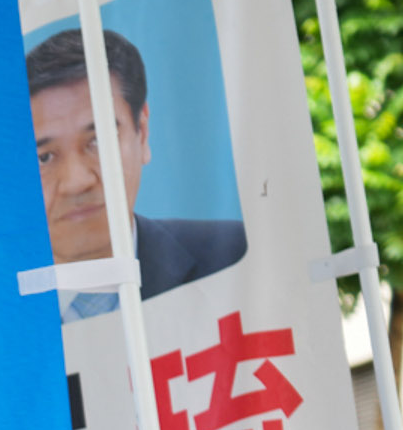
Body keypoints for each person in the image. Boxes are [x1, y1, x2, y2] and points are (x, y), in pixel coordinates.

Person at [26, 27, 246, 309]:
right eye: (44, 158)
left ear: (141, 132)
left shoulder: (232, 253)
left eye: (98, 141)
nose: (77, 182)